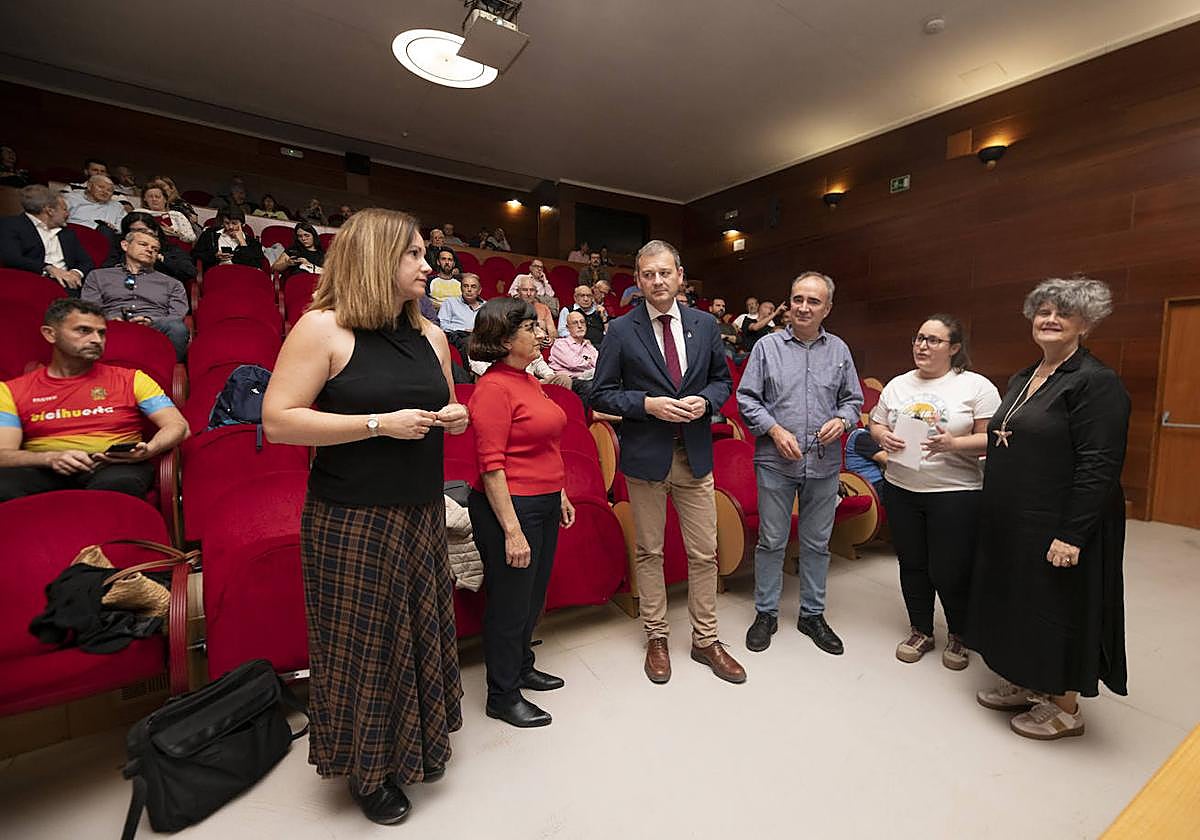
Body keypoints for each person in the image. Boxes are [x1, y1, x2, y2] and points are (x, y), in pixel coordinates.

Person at [261, 209, 468, 823]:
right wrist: (377, 424)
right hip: (351, 518)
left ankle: (420, 746)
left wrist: (452, 416)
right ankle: (368, 770)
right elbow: (279, 421)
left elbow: (445, 403)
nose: (428, 265)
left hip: (421, 511)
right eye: (413, 255)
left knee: (421, 632)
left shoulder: (431, 334)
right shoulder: (321, 329)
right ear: (377, 259)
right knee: (365, 647)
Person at [967, 276, 1129, 741]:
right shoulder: (1026, 376)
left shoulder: (1096, 383)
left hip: (1059, 521)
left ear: (1085, 323)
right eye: (1043, 311)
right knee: (1020, 603)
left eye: (1064, 313)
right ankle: (1024, 680)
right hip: (1014, 520)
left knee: (1058, 608)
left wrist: (1073, 533)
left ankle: (1064, 706)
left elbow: (1100, 466)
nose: (1051, 319)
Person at [591, 240, 744, 685]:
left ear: (680, 276)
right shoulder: (621, 330)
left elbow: (721, 382)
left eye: (664, 273)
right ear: (638, 281)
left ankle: (706, 639)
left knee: (704, 552)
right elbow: (600, 394)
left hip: (695, 455)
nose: (657, 281)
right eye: (647, 275)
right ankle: (656, 636)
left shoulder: (704, 324)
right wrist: (647, 405)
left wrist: (706, 402)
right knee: (650, 551)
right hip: (646, 456)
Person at [737, 271, 863, 656]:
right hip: (775, 462)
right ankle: (766, 613)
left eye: (813, 301)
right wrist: (774, 430)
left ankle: (812, 614)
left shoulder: (840, 350)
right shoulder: (766, 348)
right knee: (772, 541)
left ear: (827, 308)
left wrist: (842, 421)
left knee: (817, 543)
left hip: (824, 465)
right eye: (797, 299)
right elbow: (746, 400)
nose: (804, 307)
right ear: (788, 304)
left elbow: (853, 401)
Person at [466, 297, 575, 728]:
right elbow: (491, 467)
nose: (541, 333)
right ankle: (502, 693)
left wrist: (561, 493)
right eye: (531, 327)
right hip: (511, 508)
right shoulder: (493, 388)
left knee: (531, 598)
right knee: (510, 605)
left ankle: (522, 665)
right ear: (505, 338)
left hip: (544, 502)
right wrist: (512, 531)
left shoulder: (528, 379)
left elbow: (545, 446)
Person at [868, 315, 1000, 668]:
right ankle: (921, 629)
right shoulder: (897, 385)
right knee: (912, 563)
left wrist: (954, 443)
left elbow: (992, 438)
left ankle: (959, 634)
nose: (922, 346)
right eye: (919, 338)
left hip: (955, 491)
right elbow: (875, 422)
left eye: (933, 340)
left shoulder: (976, 386)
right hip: (902, 487)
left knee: (951, 568)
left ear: (954, 348)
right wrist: (882, 436)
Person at [0, 298, 188, 502]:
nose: (96, 340)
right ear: (50, 334)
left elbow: (178, 426)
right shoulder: (12, 390)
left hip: (113, 464)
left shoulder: (132, 379)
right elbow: (3, 454)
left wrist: (149, 450)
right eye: (83, 330)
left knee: (119, 484)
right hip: (44, 464)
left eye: (101, 332)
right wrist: (48, 458)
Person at [82, 231, 190, 360]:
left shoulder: (172, 283)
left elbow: (176, 315)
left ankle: (168, 371)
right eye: (143, 244)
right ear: (125, 245)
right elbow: (90, 308)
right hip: (110, 326)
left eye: (155, 249)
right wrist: (110, 319)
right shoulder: (98, 276)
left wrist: (150, 321)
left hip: (154, 328)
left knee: (177, 327)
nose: (149, 250)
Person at [0, 185, 93, 295]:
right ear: (50, 211)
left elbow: (86, 261)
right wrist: (48, 269)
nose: (68, 214)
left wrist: (75, 273)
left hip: (67, 284)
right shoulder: (11, 225)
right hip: (30, 282)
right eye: (64, 209)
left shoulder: (67, 232)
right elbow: (11, 258)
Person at [102, 212, 197, 285]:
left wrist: (161, 259)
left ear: (155, 232)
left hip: (157, 293)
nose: (137, 235)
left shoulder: (170, 249)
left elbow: (189, 272)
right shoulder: (121, 247)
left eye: (142, 230)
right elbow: (106, 269)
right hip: (122, 289)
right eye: (132, 231)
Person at [192, 208, 265, 270]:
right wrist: (214, 255)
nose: (230, 227)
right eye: (227, 223)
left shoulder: (253, 242)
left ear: (243, 224)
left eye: (234, 223)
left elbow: (256, 267)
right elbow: (195, 255)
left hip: (242, 277)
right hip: (217, 273)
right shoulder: (210, 234)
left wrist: (242, 242)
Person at [548, 311, 598, 396]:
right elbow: (573, 364)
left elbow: (599, 364)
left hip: (589, 378)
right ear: (568, 328)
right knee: (590, 386)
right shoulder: (560, 344)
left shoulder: (589, 346)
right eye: (575, 323)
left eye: (582, 322)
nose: (579, 326)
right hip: (568, 382)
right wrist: (589, 362)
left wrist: (587, 363)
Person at [438, 272, 484, 358]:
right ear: (461, 288)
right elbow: (442, 325)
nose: (469, 289)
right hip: (459, 337)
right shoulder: (450, 302)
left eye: (473, 287)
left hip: (482, 338)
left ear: (479, 290)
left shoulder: (486, 306)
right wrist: (464, 330)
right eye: (465, 286)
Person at [512, 275, 557, 345]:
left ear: (536, 293)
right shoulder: (510, 306)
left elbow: (553, 331)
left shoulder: (543, 308)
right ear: (518, 291)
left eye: (532, 290)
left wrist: (551, 339)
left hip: (540, 345)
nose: (529, 294)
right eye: (525, 290)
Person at [844, 426, 886, 497]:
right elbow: (886, 460)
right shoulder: (862, 436)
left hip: (878, 481)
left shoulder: (872, 436)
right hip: (869, 486)